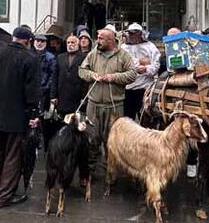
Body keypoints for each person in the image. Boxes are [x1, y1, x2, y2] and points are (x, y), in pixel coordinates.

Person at [0, 26, 41, 208]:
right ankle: (5, 195)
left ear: (14, 38)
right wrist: (34, 113)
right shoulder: (31, 58)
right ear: (28, 41)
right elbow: (32, 91)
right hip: (17, 114)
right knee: (13, 156)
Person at [79, 28, 136, 179]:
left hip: (115, 106)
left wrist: (114, 77)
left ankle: (110, 175)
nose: (98, 40)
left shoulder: (123, 55)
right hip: (94, 105)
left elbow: (132, 74)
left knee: (112, 143)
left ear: (111, 40)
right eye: (98, 37)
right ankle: (88, 174)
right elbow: (82, 70)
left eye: (101, 38)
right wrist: (92, 75)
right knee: (91, 139)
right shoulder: (93, 54)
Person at [48, 34, 88, 149]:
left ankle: (75, 147)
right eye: (68, 43)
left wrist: (84, 96)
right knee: (62, 124)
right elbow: (54, 77)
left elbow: (86, 79)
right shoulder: (60, 57)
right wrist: (53, 96)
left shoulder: (84, 57)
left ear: (78, 44)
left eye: (73, 43)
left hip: (77, 97)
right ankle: (62, 146)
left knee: (76, 123)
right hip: (62, 96)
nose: (70, 45)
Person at [121, 23, 160, 120]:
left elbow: (156, 65)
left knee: (145, 118)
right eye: (130, 33)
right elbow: (123, 65)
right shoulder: (123, 48)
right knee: (128, 120)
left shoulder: (150, 47)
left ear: (140, 34)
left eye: (134, 33)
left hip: (145, 89)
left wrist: (146, 69)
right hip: (128, 89)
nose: (132, 36)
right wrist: (140, 62)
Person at [34, 34, 56, 113]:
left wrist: (46, 87)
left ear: (45, 43)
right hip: (30, 88)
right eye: (37, 41)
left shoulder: (50, 57)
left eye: (42, 41)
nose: (39, 43)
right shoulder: (29, 54)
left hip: (43, 90)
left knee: (41, 112)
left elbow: (52, 75)